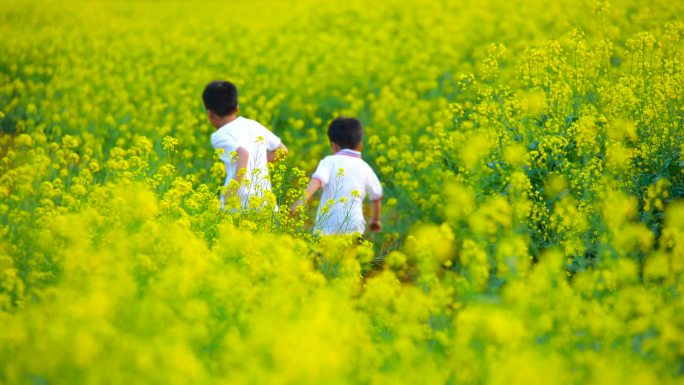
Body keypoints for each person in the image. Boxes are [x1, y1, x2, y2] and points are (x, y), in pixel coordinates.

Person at [203, 80, 288, 210]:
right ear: (237, 107)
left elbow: (242, 153)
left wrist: (232, 191)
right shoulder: (252, 124)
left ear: (210, 114)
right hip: (266, 203)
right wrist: (257, 163)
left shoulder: (218, 136)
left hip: (240, 204)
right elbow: (281, 150)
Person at [293, 117, 382, 235]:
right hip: (354, 224)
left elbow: (317, 181)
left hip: (328, 223)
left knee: (322, 252)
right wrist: (375, 220)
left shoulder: (329, 161)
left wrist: (301, 201)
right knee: (349, 253)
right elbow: (376, 197)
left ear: (333, 146)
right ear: (360, 146)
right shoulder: (365, 167)